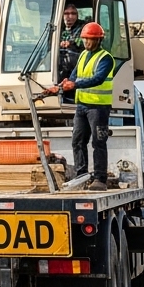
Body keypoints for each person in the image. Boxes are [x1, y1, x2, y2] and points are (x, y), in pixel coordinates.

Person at [47, 21, 115, 190]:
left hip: (98, 108)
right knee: (77, 141)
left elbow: (97, 79)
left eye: (89, 39)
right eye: (84, 39)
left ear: (98, 40)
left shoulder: (105, 58)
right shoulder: (84, 55)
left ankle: (100, 179)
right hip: (82, 106)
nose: (86, 42)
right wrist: (60, 86)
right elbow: (74, 75)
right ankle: (81, 176)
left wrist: (74, 85)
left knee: (98, 142)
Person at [57, 4, 87, 83]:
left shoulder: (83, 27)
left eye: (73, 14)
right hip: (60, 66)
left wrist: (71, 43)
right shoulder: (58, 27)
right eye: (66, 13)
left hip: (77, 66)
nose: (70, 16)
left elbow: (85, 41)